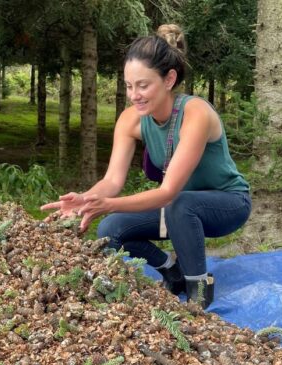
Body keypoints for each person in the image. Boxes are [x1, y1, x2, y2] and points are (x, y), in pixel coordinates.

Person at [41, 24, 251, 309]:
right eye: (129, 86)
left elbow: (167, 193)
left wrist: (109, 203)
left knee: (181, 203)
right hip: (180, 208)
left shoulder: (195, 113)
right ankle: (172, 272)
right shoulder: (131, 120)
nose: (134, 95)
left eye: (143, 85)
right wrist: (86, 200)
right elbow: (113, 181)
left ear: (168, 79)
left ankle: (199, 291)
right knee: (110, 228)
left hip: (228, 204)